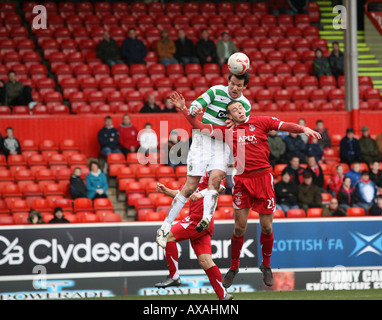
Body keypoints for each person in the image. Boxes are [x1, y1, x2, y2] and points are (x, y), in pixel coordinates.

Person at [169, 91, 321, 288]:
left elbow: (283, 125)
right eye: (234, 109)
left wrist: (303, 129)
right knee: (240, 227)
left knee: (266, 226)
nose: (239, 110)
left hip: (264, 178)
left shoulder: (261, 122)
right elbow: (199, 126)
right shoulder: (227, 131)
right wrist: (183, 109)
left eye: (240, 107)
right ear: (229, 116)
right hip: (242, 181)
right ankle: (234, 267)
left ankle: (266, 265)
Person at [156, 73, 251, 253]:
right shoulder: (215, 91)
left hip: (222, 144)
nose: (234, 87)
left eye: (238, 85)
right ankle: (165, 227)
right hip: (202, 140)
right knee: (190, 186)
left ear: (244, 86)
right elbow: (196, 106)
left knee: (215, 180)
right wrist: (193, 109)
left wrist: (237, 124)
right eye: (231, 83)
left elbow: (243, 125)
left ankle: (206, 219)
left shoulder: (245, 105)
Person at [154, 176, 233, 300]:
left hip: (198, 220)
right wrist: (166, 190)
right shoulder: (193, 175)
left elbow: (220, 187)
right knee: (206, 262)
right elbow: (182, 194)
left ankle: (174, 276)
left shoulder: (209, 171)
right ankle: (223, 295)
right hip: (201, 223)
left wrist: (201, 194)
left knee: (168, 236)